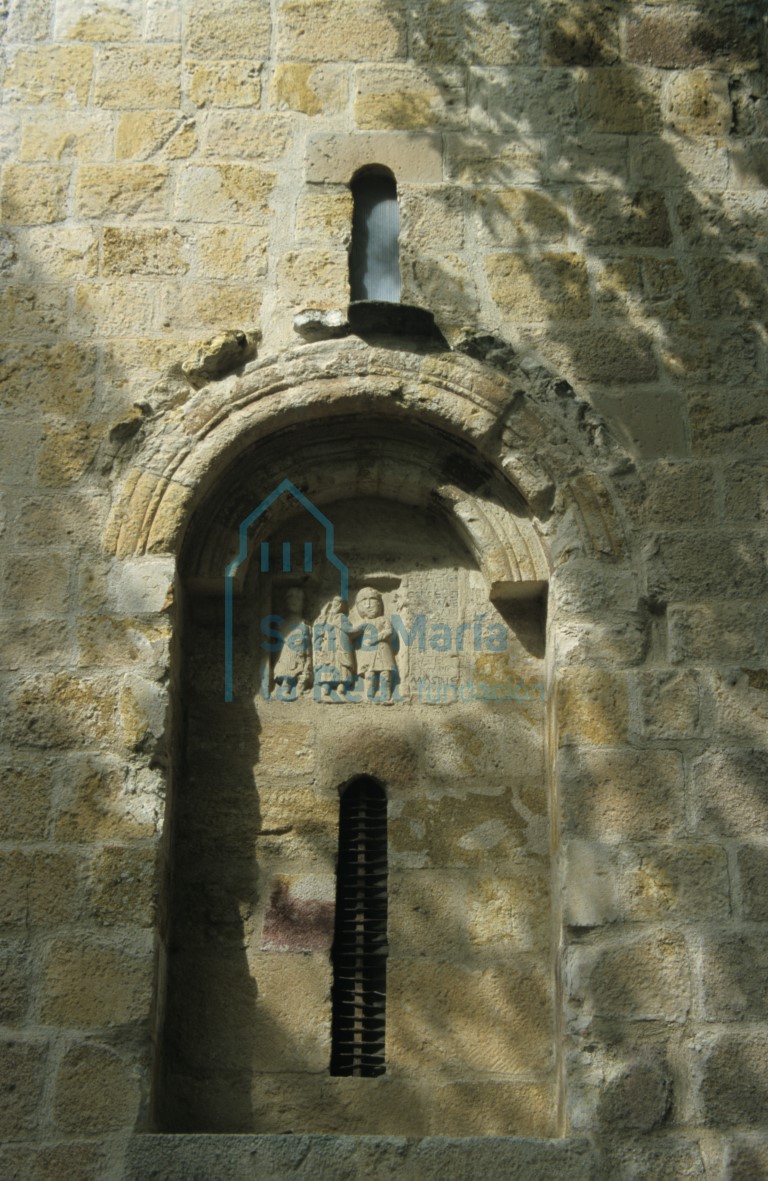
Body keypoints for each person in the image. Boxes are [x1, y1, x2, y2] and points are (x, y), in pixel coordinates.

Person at [350, 586, 397, 703]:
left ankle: (386, 696)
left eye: (372, 600)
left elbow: (389, 631)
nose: (368, 605)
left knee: (385, 673)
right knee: (369, 674)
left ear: (380, 604)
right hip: (368, 652)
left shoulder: (383, 619)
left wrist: (378, 637)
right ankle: (369, 696)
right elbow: (352, 632)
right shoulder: (364, 622)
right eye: (364, 601)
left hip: (382, 649)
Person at [313, 596, 356, 702]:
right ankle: (324, 692)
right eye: (335, 603)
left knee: (342, 669)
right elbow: (318, 629)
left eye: (339, 603)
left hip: (340, 648)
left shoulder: (342, 618)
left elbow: (349, 630)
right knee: (327, 669)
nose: (337, 605)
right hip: (328, 647)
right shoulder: (326, 618)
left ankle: (340, 692)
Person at [272, 586, 311, 699]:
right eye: (291, 597)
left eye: (298, 598)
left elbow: (308, 645)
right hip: (286, 655)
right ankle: (283, 688)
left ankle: (298, 689)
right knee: (286, 670)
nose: (294, 601)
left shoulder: (306, 625)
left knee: (300, 673)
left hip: (301, 656)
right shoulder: (280, 625)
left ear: (304, 603)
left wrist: (308, 660)